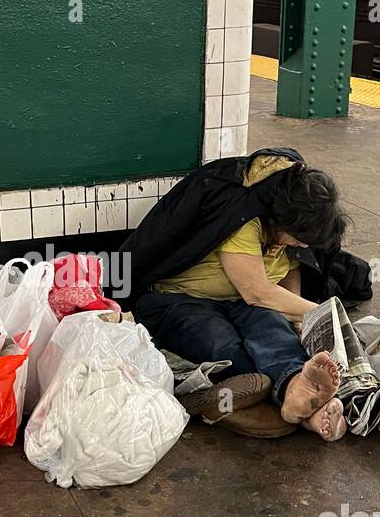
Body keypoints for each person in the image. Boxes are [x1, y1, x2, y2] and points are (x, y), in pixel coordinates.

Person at [131, 151, 351, 441]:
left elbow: (291, 267)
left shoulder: (295, 222)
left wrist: (296, 318)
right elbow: (257, 292)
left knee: (273, 331)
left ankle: (297, 388)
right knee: (221, 342)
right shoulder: (245, 217)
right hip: (180, 298)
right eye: (295, 239)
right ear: (277, 221)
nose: (299, 245)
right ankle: (285, 400)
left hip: (243, 300)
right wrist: (324, 314)